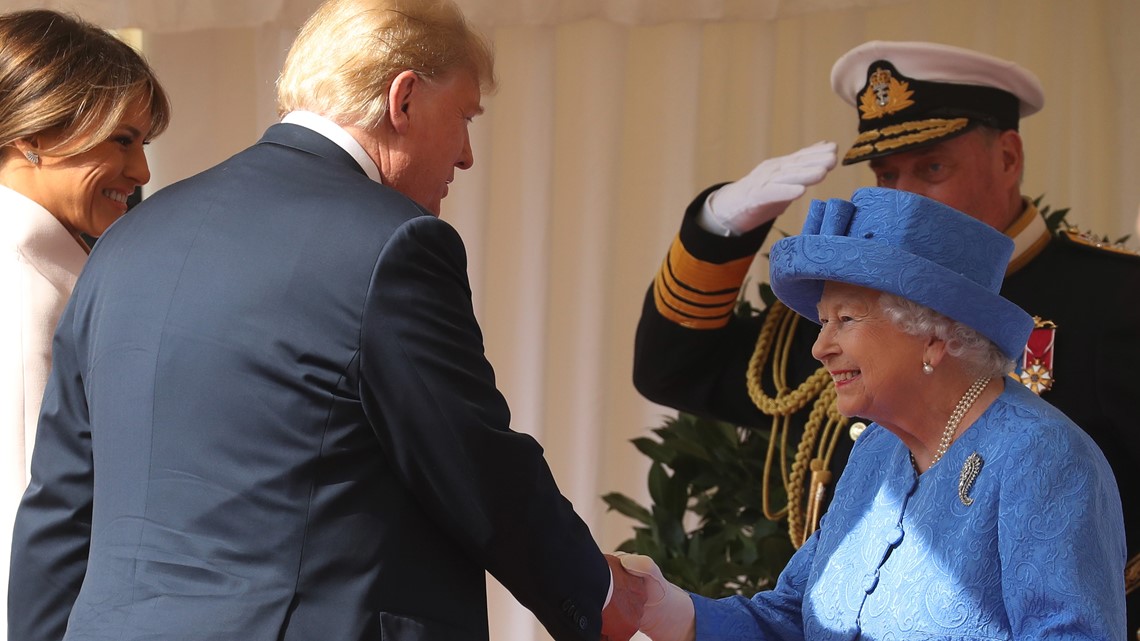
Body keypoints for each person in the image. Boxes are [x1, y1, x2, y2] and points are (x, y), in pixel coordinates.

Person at [8, 1, 643, 640]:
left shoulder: (127, 241)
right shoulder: (396, 244)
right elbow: (475, 464)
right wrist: (607, 601)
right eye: (464, 118)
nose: (468, 155)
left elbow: (62, 503)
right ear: (404, 99)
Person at [632, 41, 1140, 632]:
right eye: (886, 174)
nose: (903, 199)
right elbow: (676, 367)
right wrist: (718, 227)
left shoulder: (1111, 309)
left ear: (1007, 158)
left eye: (932, 168)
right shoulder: (878, 441)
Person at [0, 8, 170, 636]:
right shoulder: (27, 290)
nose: (143, 172)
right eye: (121, 140)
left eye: (143, 144)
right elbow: (28, 516)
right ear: (32, 136)